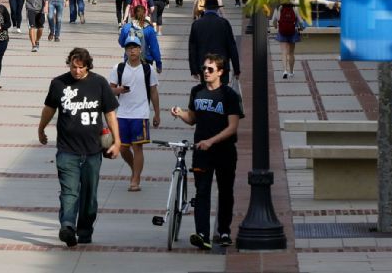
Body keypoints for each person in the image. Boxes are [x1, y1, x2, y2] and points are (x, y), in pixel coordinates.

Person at [38, 47, 120, 248]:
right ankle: (67, 226)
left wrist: (117, 141)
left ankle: (84, 231)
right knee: (69, 191)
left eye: (81, 67)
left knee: (89, 197)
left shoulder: (99, 83)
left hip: (92, 151)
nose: (76, 71)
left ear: (88, 66)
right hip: (67, 150)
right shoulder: (58, 83)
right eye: (73, 67)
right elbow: (49, 109)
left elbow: (110, 113)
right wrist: (41, 129)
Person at [171, 53, 244, 251]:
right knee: (202, 191)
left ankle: (224, 231)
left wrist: (211, 141)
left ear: (220, 72)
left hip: (224, 151)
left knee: (225, 191)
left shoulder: (229, 95)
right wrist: (180, 113)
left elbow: (232, 127)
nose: (205, 72)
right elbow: (192, 119)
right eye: (204, 68)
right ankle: (202, 234)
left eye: (210, 69)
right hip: (201, 151)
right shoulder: (197, 91)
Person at [107, 37, 160, 191]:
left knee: (137, 147)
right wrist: (119, 90)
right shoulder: (118, 68)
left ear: (140, 49)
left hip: (140, 114)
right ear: (125, 51)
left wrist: (157, 113)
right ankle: (134, 169)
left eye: (135, 47)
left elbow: (153, 92)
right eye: (129, 48)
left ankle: (135, 179)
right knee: (123, 149)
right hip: (122, 114)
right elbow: (110, 90)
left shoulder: (148, 69)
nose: (132, 50)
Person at [187, 0, 240, 86]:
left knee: (207, 89)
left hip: (204, 65)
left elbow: (192, 49)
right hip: (221, 66)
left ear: (205, 8)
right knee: (222, 91)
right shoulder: (224, 23)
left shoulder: (196, 24)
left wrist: (194, 69)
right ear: (217, 8)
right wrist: (236, 69)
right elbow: (232, 47)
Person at [272, 1, 303, 78]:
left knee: (284, 52)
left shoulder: (278, 9)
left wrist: (276, 26)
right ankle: (291, 72)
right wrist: (301, 28)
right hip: (293, 32)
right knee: (291, 53)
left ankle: (285, 71)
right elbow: (300, 21)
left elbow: (273, 21)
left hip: (282, 32)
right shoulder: (294, 8)